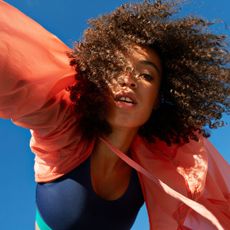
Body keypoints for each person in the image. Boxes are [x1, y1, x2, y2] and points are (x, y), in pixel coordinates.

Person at [0, 0, 229, 229]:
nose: (128, 79)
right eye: (116, 69)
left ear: (157, 100)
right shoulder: (62, 128)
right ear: (99, 82)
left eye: (147, 75)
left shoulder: (168, 161)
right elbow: (14, 63)